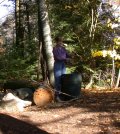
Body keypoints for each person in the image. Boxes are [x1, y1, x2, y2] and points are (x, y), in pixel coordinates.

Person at [53, 36, 70, 102]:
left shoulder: (63, 49)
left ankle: (63, 95)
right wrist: (66, 58)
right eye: (59, 41)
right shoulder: (55, 49)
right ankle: (57, 96)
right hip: (57, 64)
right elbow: (58, 57)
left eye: (61, 41)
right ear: (57, 42)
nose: (61, 42)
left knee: (63, 79)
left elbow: (67, 55)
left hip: (63, 64)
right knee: (58, 80)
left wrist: (70, 55)